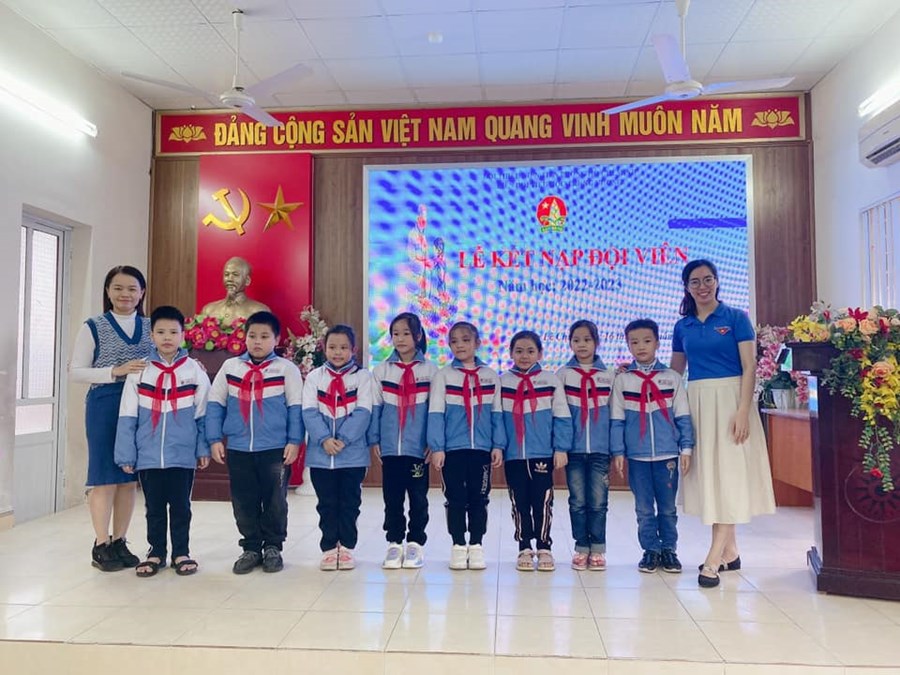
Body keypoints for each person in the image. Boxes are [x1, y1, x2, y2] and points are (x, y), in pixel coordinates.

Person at [670, 260, 776, 588]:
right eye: (695, 281)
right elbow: (675, 374)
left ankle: (713, 558)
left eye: (708, 279)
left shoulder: (736, 318)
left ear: (717, 282)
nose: (702, 286)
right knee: (711, 476)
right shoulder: (683, 326)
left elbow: (749, 367)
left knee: (729, 475)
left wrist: (743, 410)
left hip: (732, 401)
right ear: (687, 287)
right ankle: (731, 552)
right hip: (698, 402)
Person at [114, 306, 210, 577]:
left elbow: (203, 414)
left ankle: (181, 552)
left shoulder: (194, 370)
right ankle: (156, 552)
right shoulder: (139, 371)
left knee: (181, 507)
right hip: (148, 454)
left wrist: (202, 448)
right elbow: (127, 415)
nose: (167, 337)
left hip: (182, 454)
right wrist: (126, 453)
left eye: (173, 332)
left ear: (183, 335)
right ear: (152, 335)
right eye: (161, 332)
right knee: (153, 508)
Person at [207, 311, 303, 575]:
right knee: (243, 500)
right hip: (239, 448)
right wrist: (214, 439)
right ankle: (250, 547)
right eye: (252, 336)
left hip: (275, 449)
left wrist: (294, 441)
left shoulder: (286, 369)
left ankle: (272, 546)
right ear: (245, 337)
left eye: (264, 336)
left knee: (275, 500)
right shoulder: (231, 367)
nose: (257, 341)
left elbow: (296, 407)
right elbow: (215, 404)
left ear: (277, 339)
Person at [69, 265, 152, 572]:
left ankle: (120, 540)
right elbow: (76, 372)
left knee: (128, 478)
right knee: (104, 476)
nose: (125, 294)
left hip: (140, 406)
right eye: (118, 288)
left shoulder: (151, 326)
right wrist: (115, 371)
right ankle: (101, 543)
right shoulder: (93, 326)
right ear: (107, 291)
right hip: (105, 404)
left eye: (132, 288)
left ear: (142, 293)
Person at [611, 319, 694, 574]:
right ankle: (650, 550)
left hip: (667, 454)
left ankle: (669, 549)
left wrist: (686, 448)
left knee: (668, 508)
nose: (641, 347)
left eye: (647, 341)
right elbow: (617, 420)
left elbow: (683, 416)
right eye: (634, 342)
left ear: (657, 343)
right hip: (637, 456)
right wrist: (618, 452)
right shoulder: (623, 381)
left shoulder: (672, 378)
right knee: (644, 508)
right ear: (628, 345)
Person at [427, 321, 505, 571]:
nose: (459, 345)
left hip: (482, 450)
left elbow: (497, 414)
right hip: (452, 450)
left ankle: (477, 544)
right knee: (455, 498)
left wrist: (498, 445)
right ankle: (458, 545)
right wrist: (437, 447)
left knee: (479, 497)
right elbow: (436, 413)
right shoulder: (443, 376)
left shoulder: (490, 376)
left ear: (477, 343)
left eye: (465, 340)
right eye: (454, 341)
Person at [368, 312, 438, 569]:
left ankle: (415, 543)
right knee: (392, 497)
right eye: (395, 334)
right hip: (390, 448)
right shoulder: (382, 370)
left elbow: (435, 410)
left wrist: (433, 442)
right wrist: (374, 439)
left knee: (418, 498)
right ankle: (394, 542)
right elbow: (375, 407)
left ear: (418, 336)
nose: (400, 338)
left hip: (418, 449)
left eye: (406, 333)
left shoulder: (431, 371)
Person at [303, 324, 373, 571]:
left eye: (344, 347)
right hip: (321, 455)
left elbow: (364, 412)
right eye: (332, 347)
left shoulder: (363, 377)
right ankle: (329, 548)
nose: (338, 352)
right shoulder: (315, 377)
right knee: (326, 503)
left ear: (354, 350)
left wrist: (343, 439)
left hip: (352, 455)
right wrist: (324, 439)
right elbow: (309, 412)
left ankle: (347, 548)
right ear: (324, 348)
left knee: (350, 503)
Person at [499, 331, 571, 572]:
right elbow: (497, 418)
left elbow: (561, 416)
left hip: (542, 453)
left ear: (540, 353)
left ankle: (544, 546)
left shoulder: (550, 380)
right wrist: (499, 446)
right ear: (511, 353)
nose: (524, 356)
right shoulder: (503, 382)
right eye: (519, 351)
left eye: (530, 351)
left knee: (542, 501)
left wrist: (560, 448)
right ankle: (524, 546)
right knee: (519, 502)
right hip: (513, 455)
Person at [557, 320, 616, 571]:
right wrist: (560, 446)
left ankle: (598, 548)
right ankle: (581, 546)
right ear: (570, 343)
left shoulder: (609, 376)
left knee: (599, 501)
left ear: (597, 342)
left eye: (587, 340)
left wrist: (616, 449)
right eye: (576, 340)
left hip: (601, 450)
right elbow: (558, 414)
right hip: (574, 450)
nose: (581, 345)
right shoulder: (562, 375)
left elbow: (615, 414)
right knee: (577, 501)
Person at [199, 256, 270, 325]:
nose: (230, 279)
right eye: (226, 274)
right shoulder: (208, 310)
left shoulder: (260, 311)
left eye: (235, 275)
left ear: (247, 280)